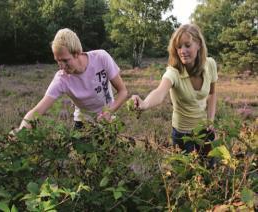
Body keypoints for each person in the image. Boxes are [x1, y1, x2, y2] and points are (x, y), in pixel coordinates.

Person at [16, 28, 128, 131]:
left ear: (77, 53)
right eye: (57, 61)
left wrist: (108, 112)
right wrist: (20, 132)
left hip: (108, 119)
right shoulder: (61, 79)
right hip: (83, 123)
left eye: (65, 60)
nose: (61, 66)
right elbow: (37, 110)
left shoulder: (101, 58)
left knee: (109, 153)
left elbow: (123, 91)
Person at [131, 24, 218, 156]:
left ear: (199, 44)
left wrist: (210, 120)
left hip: (203, 131)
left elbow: (212, 93)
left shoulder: (210, 64)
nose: (182, 51)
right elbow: (159, 92)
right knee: (187, 173)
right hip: (182, 134)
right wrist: (144, 104)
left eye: (187, 45)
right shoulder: (173, 72)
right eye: (178, 47)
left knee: (210, 168)